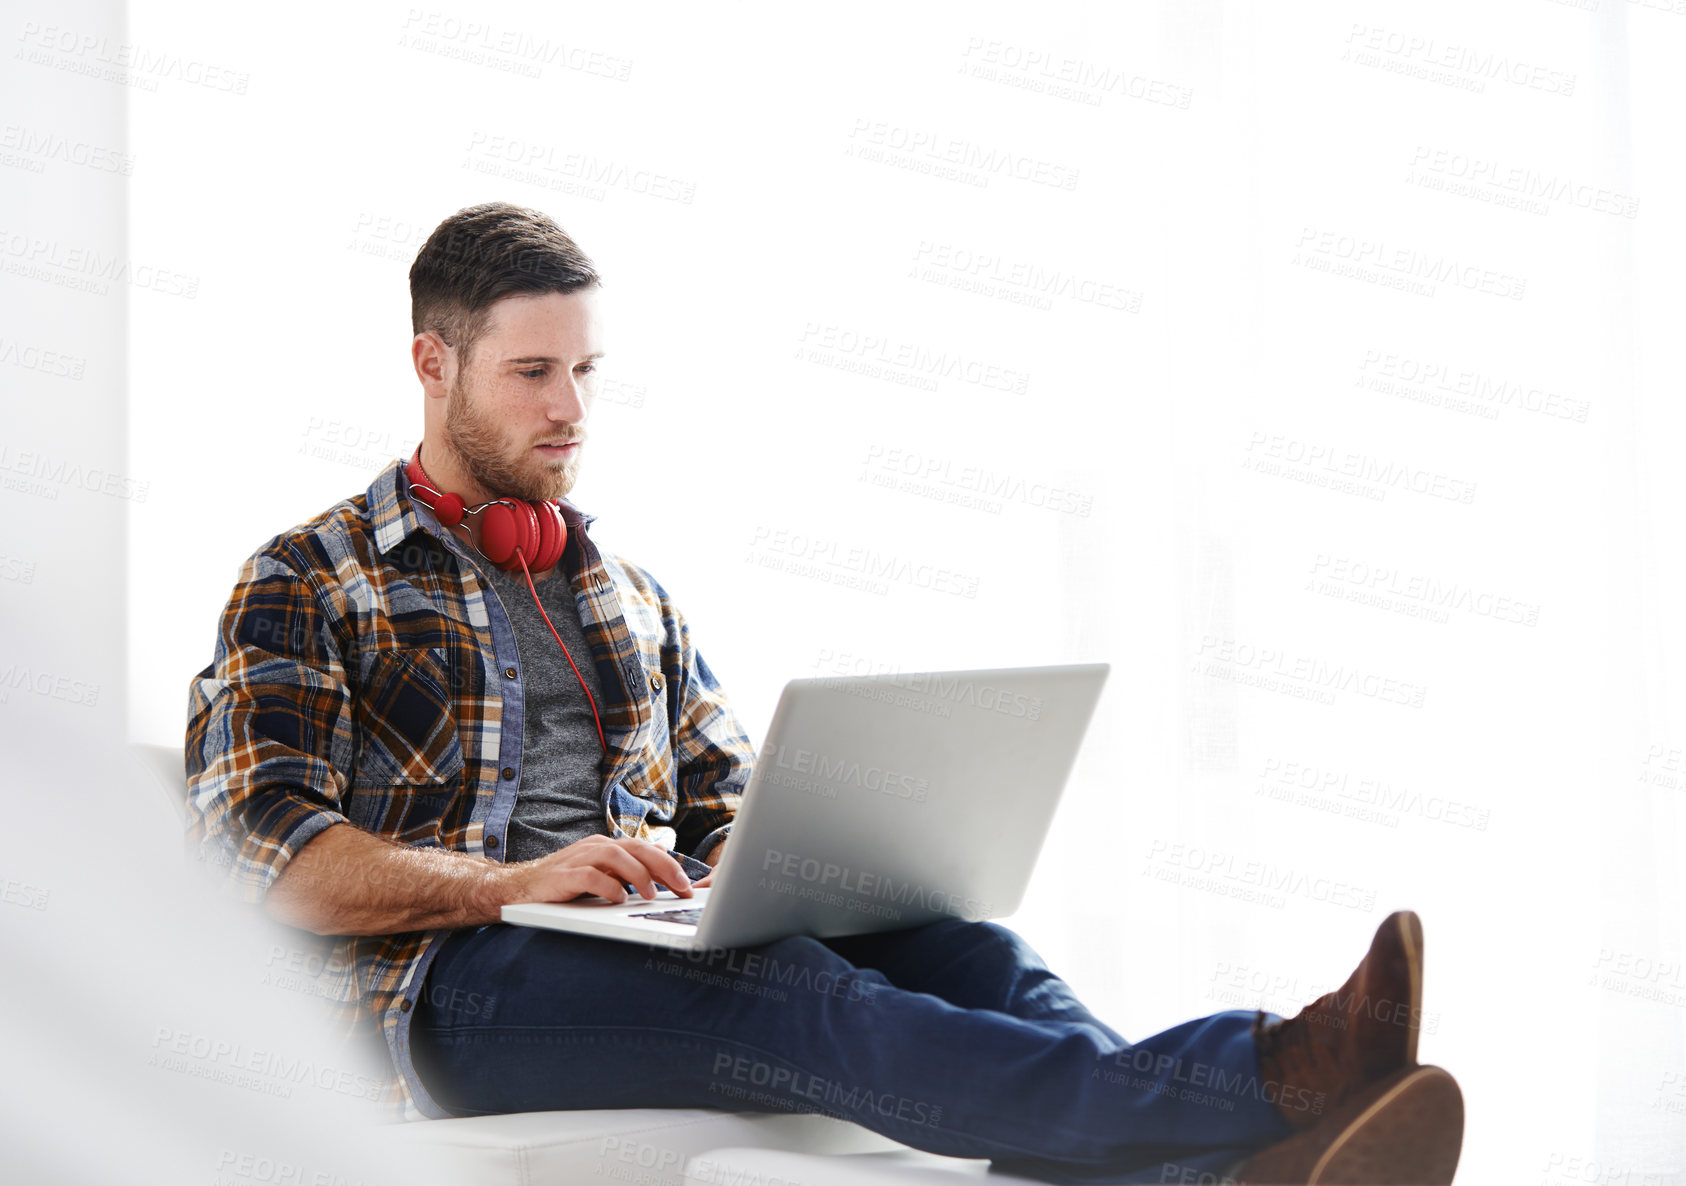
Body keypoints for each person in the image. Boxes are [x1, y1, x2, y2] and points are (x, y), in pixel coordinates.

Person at [184, 202, 1464, 1184]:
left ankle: (1228, 1171)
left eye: (587, 372)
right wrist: (513, 882)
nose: (571, 409)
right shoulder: (308, 578)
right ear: (432, 362)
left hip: (629, 946)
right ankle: (1274, 1072)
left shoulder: (624, 594)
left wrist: (774, 857)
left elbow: (724, 793)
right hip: (440, 991)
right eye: (533, 373)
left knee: (971, 951)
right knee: (795, 991)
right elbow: (263, 859)